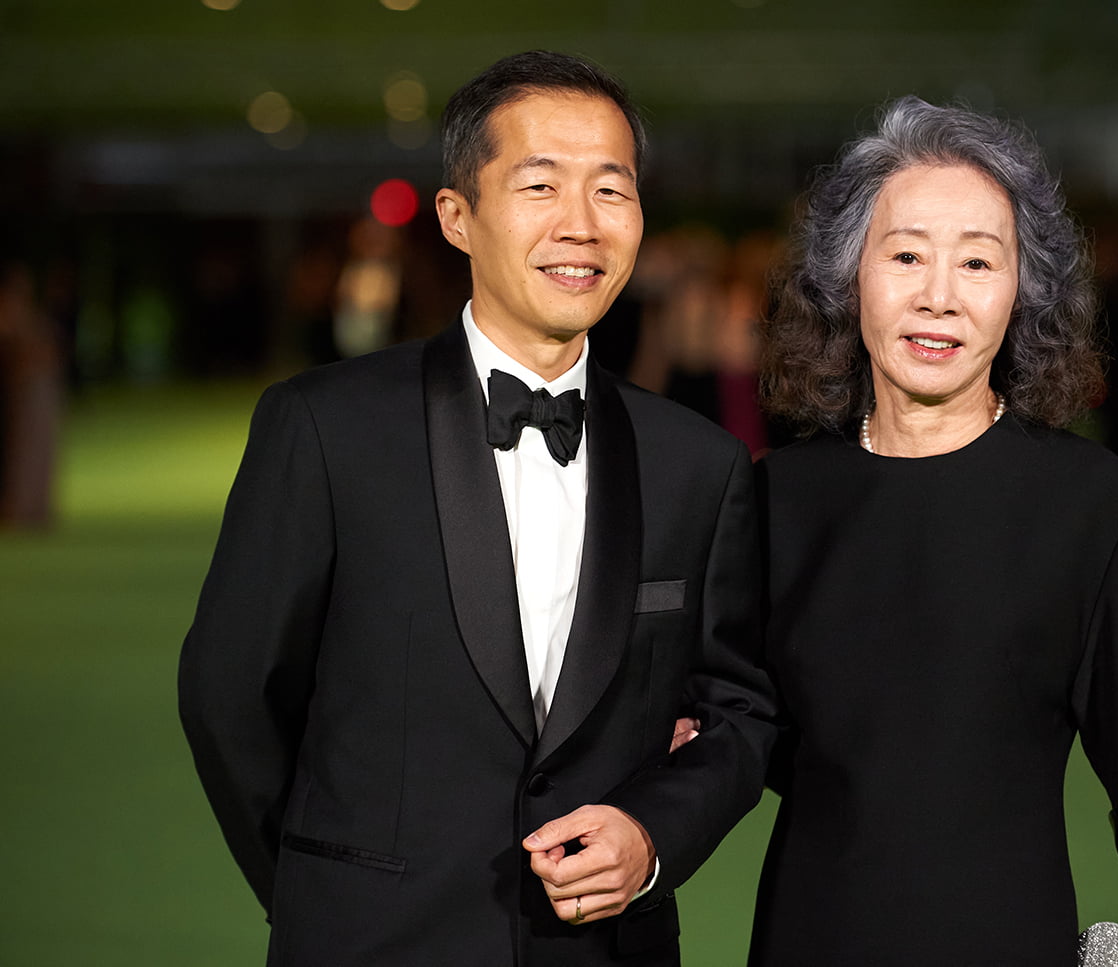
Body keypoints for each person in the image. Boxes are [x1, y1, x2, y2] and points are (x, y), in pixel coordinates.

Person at [179, 50, 775, 967]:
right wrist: (324, 891)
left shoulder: (699, 463)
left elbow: (737, 711)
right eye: (540, 185)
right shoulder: (325, 427)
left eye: (610, 192)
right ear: (459, 216)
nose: (581, 226)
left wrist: (652, 837)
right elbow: (230, 695)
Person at [748, 97, 1118, 966]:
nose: (938, 295)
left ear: (1022, 289)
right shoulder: (775, 498)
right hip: (809, 935)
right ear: (847, 277)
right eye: (905, 255)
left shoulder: (1085, 501)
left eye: (978, 262)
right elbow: (727, 733)